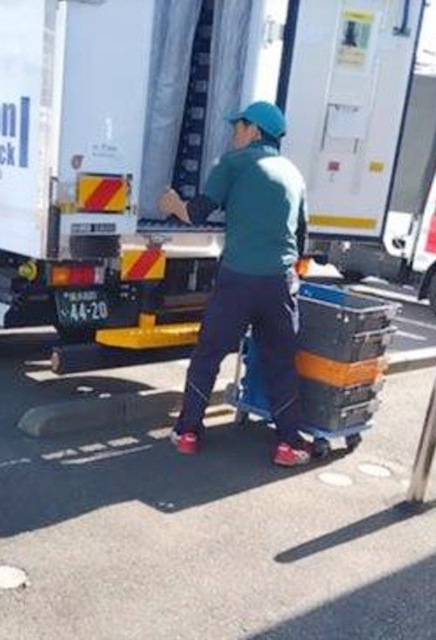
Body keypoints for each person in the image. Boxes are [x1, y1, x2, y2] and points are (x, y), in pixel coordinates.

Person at [158, 101, 311, 467]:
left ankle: (188, 432)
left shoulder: (234, 164)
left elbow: (196, 212)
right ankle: (288, 444)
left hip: (238, 280)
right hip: (279, 283)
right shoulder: (293, 173)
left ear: (254, 130)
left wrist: (172, 203)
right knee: (280, 363)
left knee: (208, 355)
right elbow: (302, 236)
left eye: (237, 127)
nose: (233, 135)